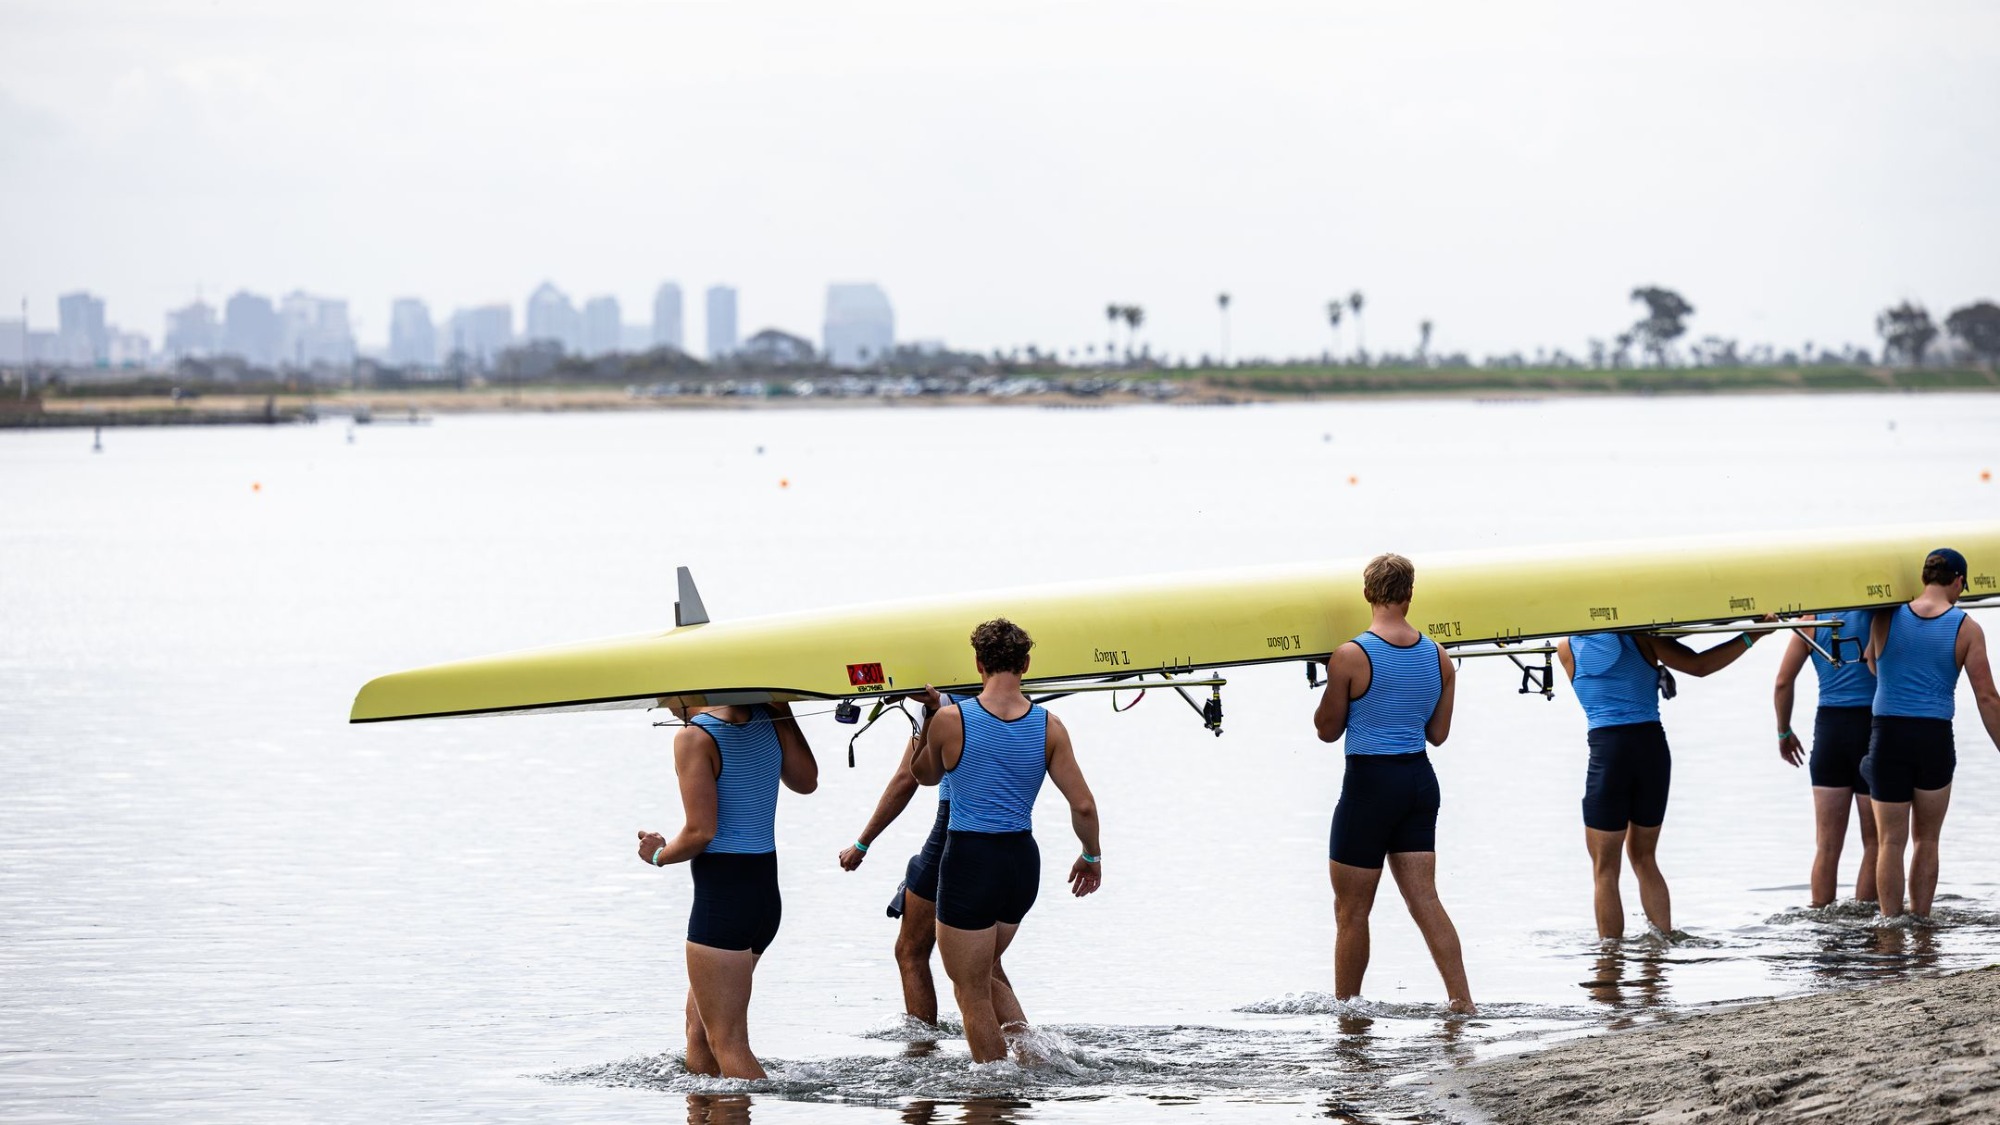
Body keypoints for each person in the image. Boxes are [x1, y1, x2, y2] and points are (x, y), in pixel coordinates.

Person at [910, 619, 1102, 1063]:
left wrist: (927, 719)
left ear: (978, 664)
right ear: (1026, 664)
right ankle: (1033, 1059)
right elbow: (1085, 806)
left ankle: (993, 1092)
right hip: (1020, 862)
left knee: (970, 989)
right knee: (986, 973)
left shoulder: (950, 720)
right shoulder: (1050, 726)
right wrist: (1091, 855)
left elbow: (924, 776)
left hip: (970, 860)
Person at [1312, 552, 1474, 1015]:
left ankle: (1348, 1013)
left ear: (1368, 594)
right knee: (1425, 899)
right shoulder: (1439, 656)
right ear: (1410, 595)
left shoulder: (1350, 655)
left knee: (1351, 910)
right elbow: (1437, 735)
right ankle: (1462, 1002)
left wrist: (1331, 682)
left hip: (1370, 786)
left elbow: (1327, 730)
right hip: (1420, 781)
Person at [636, 700, 818, 1079]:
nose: (659, 703)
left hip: (722, 901)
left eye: (662, 695)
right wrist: (780, 706)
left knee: (728, 1043)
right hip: (763, 898)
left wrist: (658, 855)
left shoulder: (693, 737)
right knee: (698, 1030)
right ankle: (706, 1112)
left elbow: (701, 831)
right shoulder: (768, 715)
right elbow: (807, 782)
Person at [1558, 616, 1769, 940]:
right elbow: (1699, 665)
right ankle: (1662, 948)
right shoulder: (1643, 636)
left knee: (1605, 871)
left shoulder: (1565, 648)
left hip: (1607, 755)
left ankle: (1610, 964)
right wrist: (1752, 635)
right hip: (1651, 753)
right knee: (1644, 858)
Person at [1862, 547, 2000, 919]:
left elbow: (1874, 667)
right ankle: (1920, 920)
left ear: (1924, 578)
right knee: (1927, 838)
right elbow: (1987, 697)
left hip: (1888, 734)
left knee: (1890, 840)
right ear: (1957, 581)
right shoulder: (1967, 628)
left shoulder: (1885, 618)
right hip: (1933, 738)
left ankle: (1891, 924)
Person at [837, 692, 977, 1026]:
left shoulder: (942, 707)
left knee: (912, 951)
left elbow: (909, 777)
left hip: (953, 829)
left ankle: (922, 1052)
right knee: (984, 962)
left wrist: (863, 842)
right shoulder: (1022, 708)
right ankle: (1027, 1055)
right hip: (1010, 839)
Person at [1772, 610, 1880, 907]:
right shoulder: (1880, 615)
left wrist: (1784, 732)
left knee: (1827, 845)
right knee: (1876, 843)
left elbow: (1783, 681)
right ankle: (1865, 921)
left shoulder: (1811, 622)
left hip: (1829, 732)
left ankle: (1821, 918)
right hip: (1871, 729)